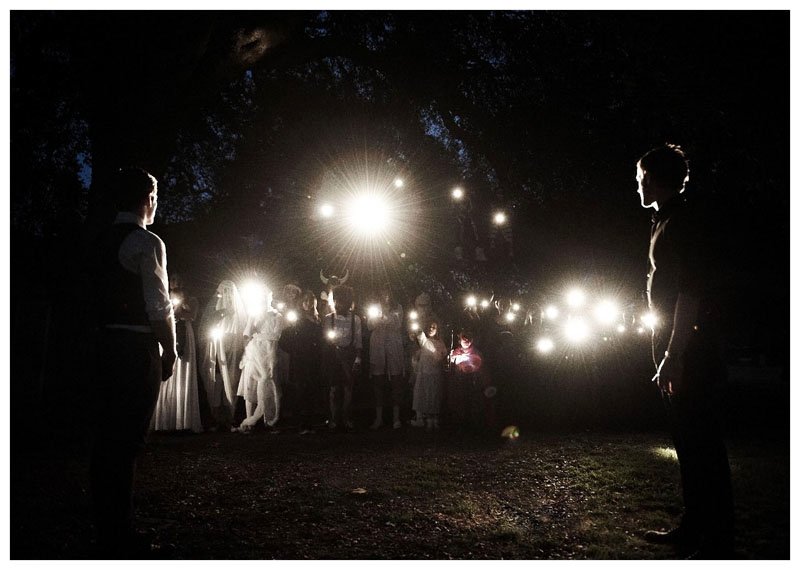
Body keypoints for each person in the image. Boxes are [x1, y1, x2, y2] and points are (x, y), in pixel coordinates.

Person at [636, 144, 734, 558]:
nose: (637, 185)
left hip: (690, 349)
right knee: (688, 442)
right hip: (675, 344)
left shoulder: (684, 221)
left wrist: (674, 355)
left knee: (701, 442)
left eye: (640, 177)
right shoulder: (664, 219)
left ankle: (716, 537)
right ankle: (696, 526)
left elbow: (689, 294)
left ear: (654, 178)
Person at [90, 167, 176, 556]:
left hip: (100, 345)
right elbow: (159, 305)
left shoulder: (97, 240)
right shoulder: (146, 241)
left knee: (105, 439)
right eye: (155, 197)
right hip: (135, 347)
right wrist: (170, 349)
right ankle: (119, 534)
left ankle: (105, 525)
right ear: (147, 198)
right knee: (127, 441)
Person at [151, 273, 202, 433]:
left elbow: (192, 315)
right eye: (173, 279)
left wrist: (181, 309)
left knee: (183, 371)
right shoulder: (164, 298)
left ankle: (183, 421)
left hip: (184, 333)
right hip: (169, 333)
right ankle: (165, 421)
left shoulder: (191, 299)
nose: (176, 282)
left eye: (179, 279)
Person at [199, 279, 247, 430]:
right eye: (224, 291)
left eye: (229, 291)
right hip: (217, 347)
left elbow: (243, 330)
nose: (227, 294)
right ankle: (215, 416)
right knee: (217, 380)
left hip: (232, 349)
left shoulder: (239, 310)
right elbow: (207, 323)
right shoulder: (215, 307)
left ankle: (229, 416)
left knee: (231, 382)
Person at [235, 285, 285, 432]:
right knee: (250, 386)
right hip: (255, 352)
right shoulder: (254, 313)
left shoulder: (277, 315)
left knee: (269, 384)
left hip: (269, 353)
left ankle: (268, 420)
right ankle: (250, 421)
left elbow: (277, 335)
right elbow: (247, 333)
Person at [279, 289, 323, 433]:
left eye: (311, 301)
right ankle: (299, 423)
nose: (309, 304)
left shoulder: (317, 319)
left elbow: (320, 339)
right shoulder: (296, 319)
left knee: (311, 390)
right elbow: (284, 340)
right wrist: (295, 351)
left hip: (313, 360)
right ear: (302, 303)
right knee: (299, 390)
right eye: (306, 301)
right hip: (300, 360)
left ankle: (309, 422)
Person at [322, 284, 362, 430]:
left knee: (348, 388)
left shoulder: (355, 319)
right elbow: (326, 338)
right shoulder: (329, 318)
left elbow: (358, 340)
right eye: (336, 300)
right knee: (334, 388)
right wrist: (330, 341)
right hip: (333, 356)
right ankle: (333, 418)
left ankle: (346, 418)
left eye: (341, 300)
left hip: (349, 355)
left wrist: (358, 358)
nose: (338, 304)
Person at [367, 285, 406, 430]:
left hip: (393, 346)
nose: (386, 294)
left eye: (388, 291)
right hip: (378, 346)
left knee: (396, 381)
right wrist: (377, 319)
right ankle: (379, 418)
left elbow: (398, 324)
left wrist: (386, 319)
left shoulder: (398, 308)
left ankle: (396, 418)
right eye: (383, 291)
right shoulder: (374, 307)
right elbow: (370, 325)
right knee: (378, 382)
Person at [447, 329, 495, 430]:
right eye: (464, 338)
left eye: (468, 338)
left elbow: (481, 368)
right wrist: (452, 358)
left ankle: (472, 424)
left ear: (472, 340)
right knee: (460, 402)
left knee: (472, 402)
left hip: (473, 382)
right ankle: (460, 422)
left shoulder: (477, 353)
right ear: (460, 340)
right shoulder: (455, 352)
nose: (466, 340)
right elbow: (451, 368)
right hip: (459, 383)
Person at [413, 320, 448, 431]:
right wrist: (416, 325)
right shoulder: (424, 340)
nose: (431, 329)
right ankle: (427, 419)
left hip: (435, 374)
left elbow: (443, 354)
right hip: (425, 373)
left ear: (437, 330)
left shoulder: (440, 342)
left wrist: (440, 356)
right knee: (426, 395)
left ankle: (435, 419)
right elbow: (420, 335)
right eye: (429, 327)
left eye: (433, 327)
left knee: (434, 396)